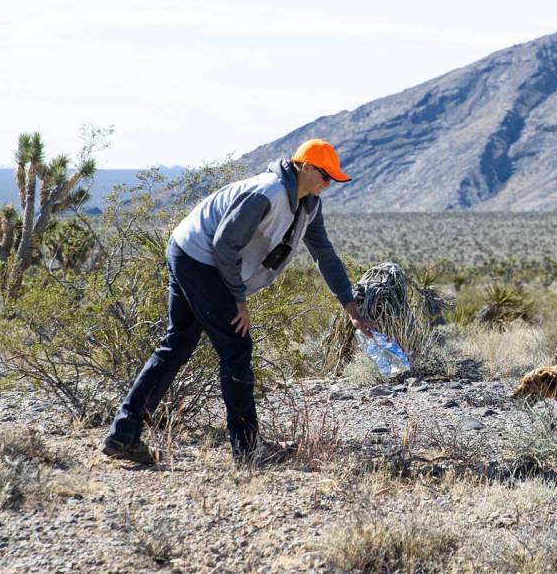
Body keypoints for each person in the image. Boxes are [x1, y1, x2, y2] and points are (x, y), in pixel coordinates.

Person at [102, 139, 372, 464]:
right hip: (198, 256)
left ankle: (123, 435)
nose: (328, 185)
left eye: (332, 179)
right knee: (236, 348)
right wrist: (238, 299)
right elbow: (223, 246)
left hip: (193, 252)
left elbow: (324, 255)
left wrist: (351, 309)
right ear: (305, 166)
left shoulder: (309, 204)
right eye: (325, 176)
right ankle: (247, 451)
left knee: (178, 345)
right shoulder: (267, 193)